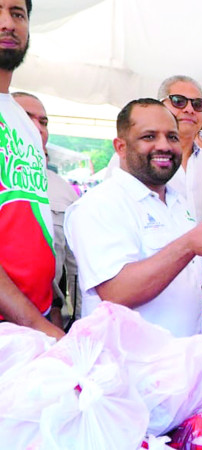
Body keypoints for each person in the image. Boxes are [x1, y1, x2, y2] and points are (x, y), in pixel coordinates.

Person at [65, 99, 202, 337]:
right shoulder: (99, 205)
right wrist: (189, 244)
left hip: (186, 361)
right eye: (149, 137)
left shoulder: (177, 202)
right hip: (131, 368)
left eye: (172, 137)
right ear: (121, 147)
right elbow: (117, 292)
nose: (164, 146)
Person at [0, 0, 64, 339]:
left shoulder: (22, 122)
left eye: (17, 14)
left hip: (28, 326)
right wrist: (36, 324)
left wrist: (49, 308)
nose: (8, 23)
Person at [13, 91, 80, 326]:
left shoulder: (64, 190)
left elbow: (76, 266)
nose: (38, 127)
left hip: (46, 318)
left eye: (44, 121)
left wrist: (75, 320)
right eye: (25, 116)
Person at [159, 75, 202, 220]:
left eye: (197, 104)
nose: (189, 109)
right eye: (179, 101)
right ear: (160, 106)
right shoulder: (136, 158)